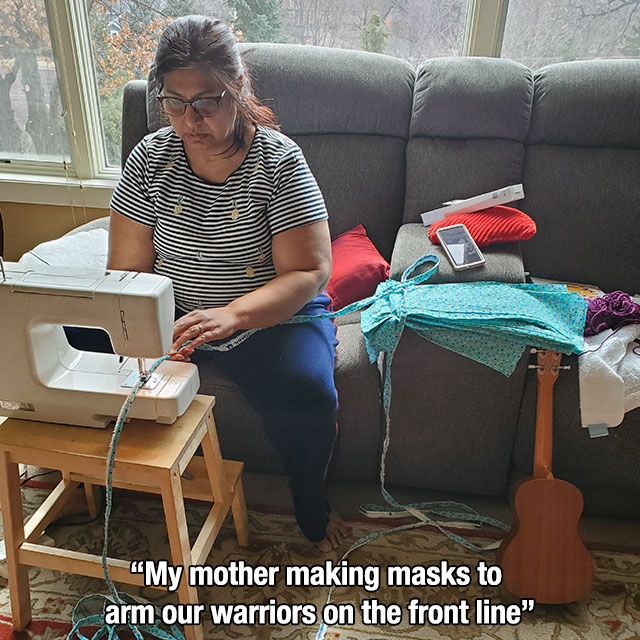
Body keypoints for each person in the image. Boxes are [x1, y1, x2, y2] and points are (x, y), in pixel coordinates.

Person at [108, 15, 347, 552]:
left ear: (237, 88)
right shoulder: (150, 159)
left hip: (268, 318)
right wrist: (158, 332)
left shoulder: (278, 161)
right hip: (179, 315)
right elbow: (127, 270)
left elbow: (309, 272)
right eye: (174, 102)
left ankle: (311, 499)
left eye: (207, 102)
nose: (189, 119)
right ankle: (86, 483)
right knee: (71, 351)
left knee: (309, 394)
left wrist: (233, 315)